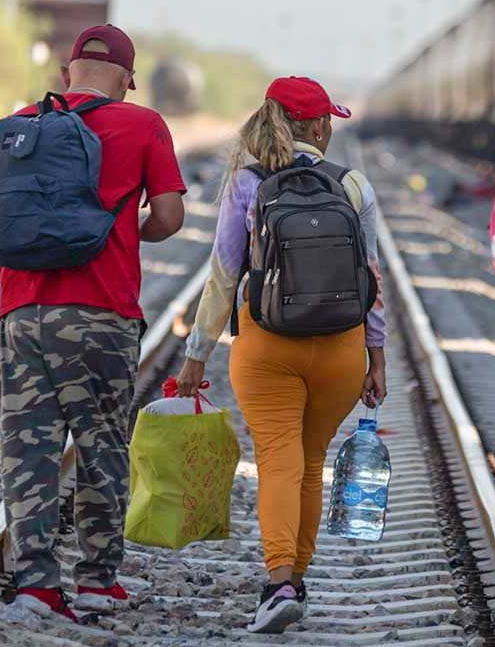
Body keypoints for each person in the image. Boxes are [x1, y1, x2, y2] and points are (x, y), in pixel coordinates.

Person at [0, 24, 187, 622]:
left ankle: (37, 585)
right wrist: (123, 233)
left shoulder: (21, 123)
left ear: (67, 74)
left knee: (29, 452)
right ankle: (96, 580)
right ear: (127, 79)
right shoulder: (143, 124)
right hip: (101, 314)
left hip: (22, 311)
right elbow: (169, 216)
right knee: (101, 448)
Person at [173, 76, 386, 634]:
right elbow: (374, 282)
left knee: (277, 460)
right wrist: (377, 358)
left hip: (267, 347)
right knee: (310, 464)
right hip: (341, 351)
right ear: (318, 125)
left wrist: (197, 354)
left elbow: (223, 277)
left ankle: (280, 582)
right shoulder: (353, 184)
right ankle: (298, 579)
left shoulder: (247, 183)